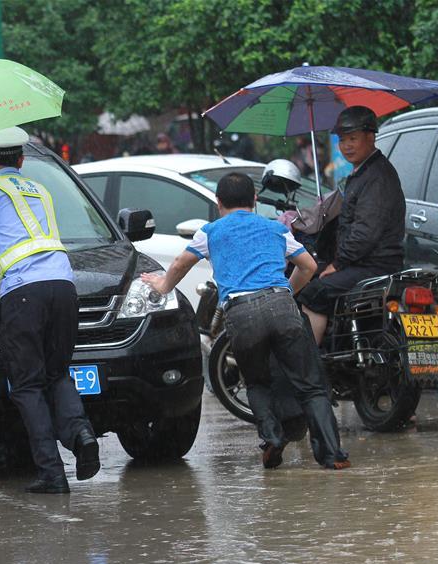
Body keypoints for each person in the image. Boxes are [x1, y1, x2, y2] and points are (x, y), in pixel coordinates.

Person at [141, 172, 350, 470]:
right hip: (281, 304)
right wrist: (287, 291)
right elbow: (309, 265)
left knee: (257, 382)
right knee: (311, 386)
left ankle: (272, 438)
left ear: (218, 202)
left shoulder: (210, 231)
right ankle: (333, 455)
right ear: (254, 200)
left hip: (241, 312)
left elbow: (180, 263)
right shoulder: (274, 228)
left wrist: (162, 285)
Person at [0, 127, 100, 493]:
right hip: (64, 287)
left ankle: (52, 474)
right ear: (21, 160)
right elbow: (26, 243)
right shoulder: (39, 189)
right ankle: (81, 432)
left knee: (26, 385)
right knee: (57, 373)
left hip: (25, 296)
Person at [299, 106, 406, 345]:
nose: (346, 145)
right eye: (342, 139)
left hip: (374, 265)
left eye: (353, 138)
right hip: (366, 262)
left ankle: (308, 372)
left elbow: (365, 233)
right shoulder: (363, 172)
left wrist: (338, 264)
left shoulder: (377, 176)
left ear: (370, 137)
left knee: (313, 293)